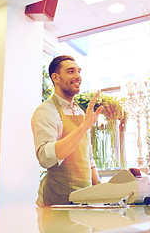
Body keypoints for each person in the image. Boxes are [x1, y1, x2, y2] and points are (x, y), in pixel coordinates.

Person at [31, 55, 104, 206]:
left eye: (79, 71)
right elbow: (45, 158)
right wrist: (85, 126)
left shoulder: (80, 112)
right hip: (57, 203)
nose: (78, 76)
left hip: (84, 202)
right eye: (71, 71)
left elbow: (88, 158)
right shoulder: (46, 111)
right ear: (55, 78)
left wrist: (102, 194)